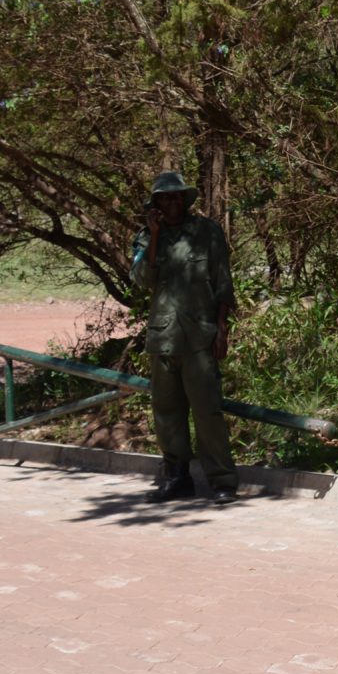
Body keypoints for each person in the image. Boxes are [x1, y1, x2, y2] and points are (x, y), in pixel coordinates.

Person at [130, 170, 239, 506]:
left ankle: (221, 480)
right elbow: (142, 280)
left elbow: (223, 281)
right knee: (167, 413)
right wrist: (155, 234)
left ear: (185, 200)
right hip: (163, 337)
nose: (173, 202)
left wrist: (222, 330)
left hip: (200, 336)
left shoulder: (206, 232)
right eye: (166, 197)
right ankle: (176, 478)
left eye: (177, 196)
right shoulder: (147, 237)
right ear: (156, 203)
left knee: (208, 412)